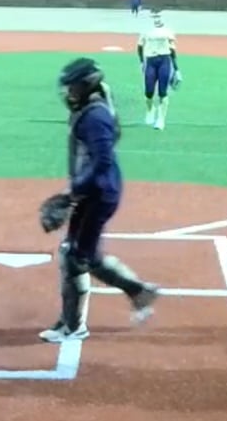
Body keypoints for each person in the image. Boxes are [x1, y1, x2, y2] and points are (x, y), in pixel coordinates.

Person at [42, 57, 160, 343]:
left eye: (72, 87)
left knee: (77, 257)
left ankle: (80, 322)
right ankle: (133, 294)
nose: (68, 93)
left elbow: (102, 162)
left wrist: (73, 192)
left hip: (99, 193)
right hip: (94, 190)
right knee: (78, 254)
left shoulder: (95, 117)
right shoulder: (92, 108)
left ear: (86, 86)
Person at [137, 10, 180, 129]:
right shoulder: (146, 31)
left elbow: (172, 50)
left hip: (164, 60)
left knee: (162, 92)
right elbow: (139, 46)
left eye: (158, 16)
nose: (156, 19)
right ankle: (150, 110)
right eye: (154, 16)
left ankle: (161, 119)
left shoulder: (168, 32)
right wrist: (141, 62)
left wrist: (176, 69)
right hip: (150, 61)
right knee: (149, 91)